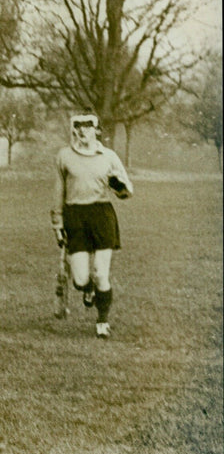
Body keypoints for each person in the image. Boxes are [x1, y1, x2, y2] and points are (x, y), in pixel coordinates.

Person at [50, 112, 133, 339]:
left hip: (102, 215)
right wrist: (57, 225)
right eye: (77, 126)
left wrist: (118, 186)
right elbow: (59, 193)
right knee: (80, 279)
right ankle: (87, 291)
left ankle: (102, 321)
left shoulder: (108, 156)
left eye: (87, 126)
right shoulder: (64, 156)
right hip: (74, 216)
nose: (82, 130)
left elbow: (127, 191)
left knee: (100, 272)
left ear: (96, 129)